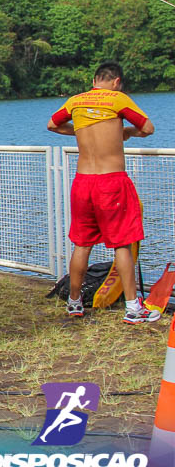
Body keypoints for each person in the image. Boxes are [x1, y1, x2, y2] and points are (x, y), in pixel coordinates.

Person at [48, 61, 157, 324]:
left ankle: (74, 303)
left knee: (83, 243)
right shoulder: (117, 99)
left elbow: (52, 125)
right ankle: (133, 308)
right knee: (121, 242)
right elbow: (148, 128)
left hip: (83, 181)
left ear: (95, 79)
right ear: (116, 81)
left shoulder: (75, 101)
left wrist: (81, 130)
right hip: (111, 181)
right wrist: (125, 132)